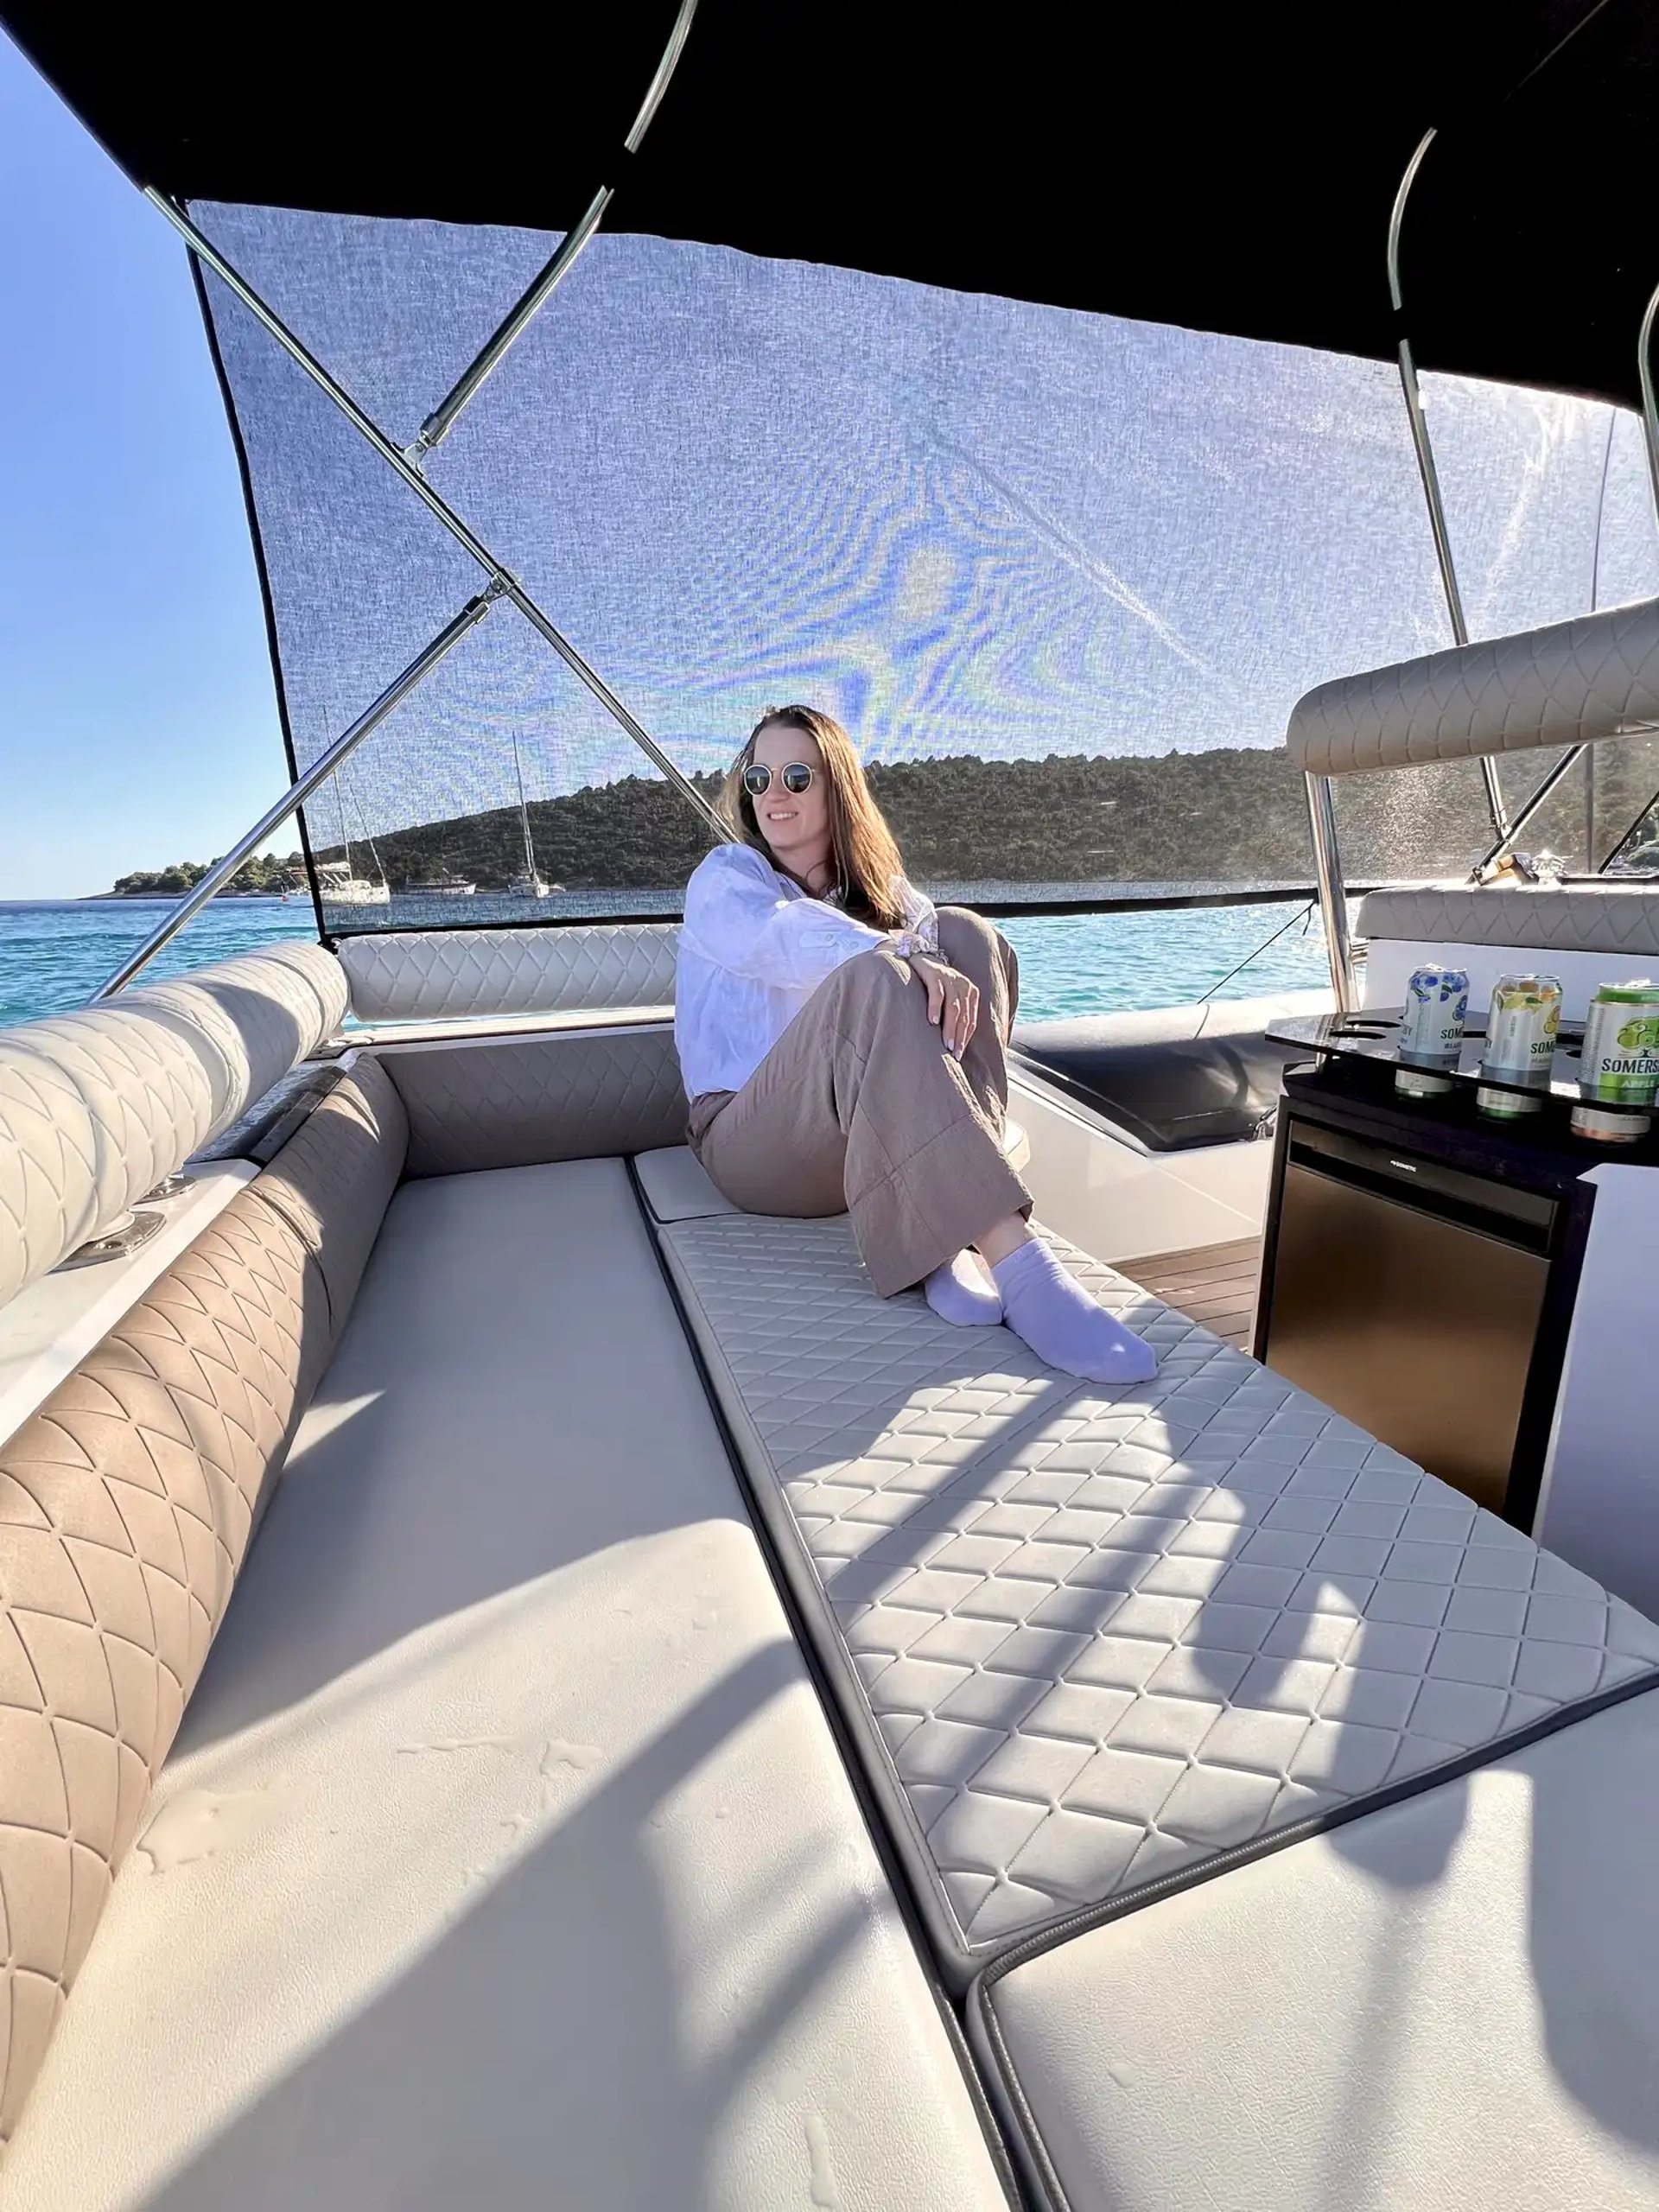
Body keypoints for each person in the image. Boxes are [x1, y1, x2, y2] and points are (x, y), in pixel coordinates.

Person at [673, 705, 1158, 1385]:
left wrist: (921, 948)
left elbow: (942, 961)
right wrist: (899, 951)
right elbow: (782, 939)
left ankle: (949, 1231)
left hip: (857, 1149)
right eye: (758, 777)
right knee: (880, 974)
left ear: (836, 785)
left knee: (968, 935)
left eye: (795, 775)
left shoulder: (884, 894)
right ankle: (1018, 1265)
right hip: (751, 1144)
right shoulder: (729, 876)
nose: (773, 793)